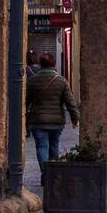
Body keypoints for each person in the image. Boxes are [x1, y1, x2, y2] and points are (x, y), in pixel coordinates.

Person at [26, 52, 80, 182]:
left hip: (38, 120)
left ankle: (45, 173)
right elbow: (70, 102)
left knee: (41, 146)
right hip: (56, 121)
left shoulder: (32, 80)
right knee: (54, 146)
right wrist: (75, 118)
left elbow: (26, 101)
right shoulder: (61, 80)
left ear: (41, 64)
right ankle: (53, 174)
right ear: (54, 63)